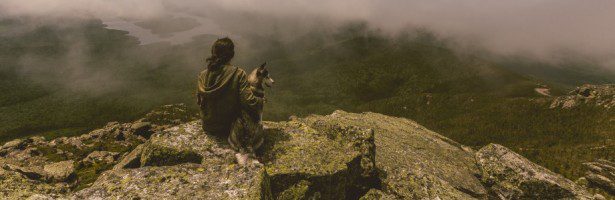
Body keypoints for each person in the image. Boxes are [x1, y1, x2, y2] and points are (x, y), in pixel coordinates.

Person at [196, 38, 265, 164]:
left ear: (213, 53)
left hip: (208, 125)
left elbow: (200, 102)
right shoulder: (238, 74)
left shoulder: (202, 75)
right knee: (253, 115)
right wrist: (261, 100)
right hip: (228, 127)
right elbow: (249, 102)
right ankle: (246, 153)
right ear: (232, 55)